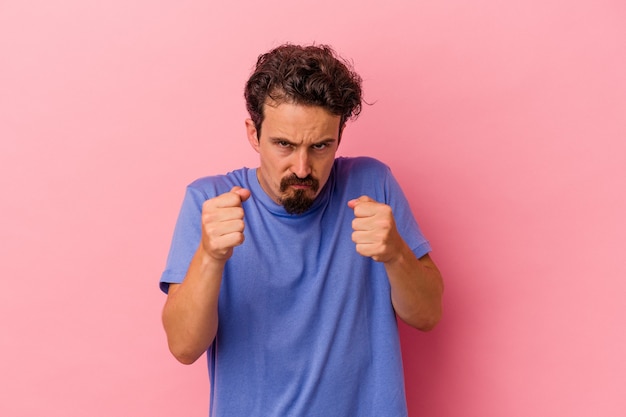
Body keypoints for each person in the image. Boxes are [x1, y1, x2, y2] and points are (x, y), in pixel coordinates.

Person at [160, 43, 444, 417]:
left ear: (340, 135)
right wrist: (210, 257)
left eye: (320, 146)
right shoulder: (210, 201)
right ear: (253, 133)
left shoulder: (372, 185)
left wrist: (395, 253)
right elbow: (183, 347)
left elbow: (427, 314)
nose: (302, 167)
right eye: (284, 145)